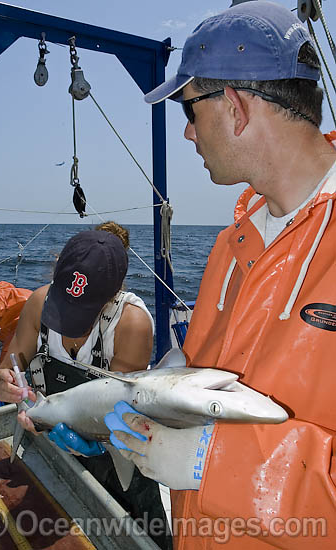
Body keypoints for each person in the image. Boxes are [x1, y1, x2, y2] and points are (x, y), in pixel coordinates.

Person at [103, 2, 336, 548]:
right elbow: (202, 374)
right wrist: (126, 409)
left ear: (234, 106)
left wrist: (220, 463)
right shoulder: (231, 245)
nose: (187, 134)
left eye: (189, 110)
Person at [0, 227, 172, 549]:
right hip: (48, 441)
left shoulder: (132, 323)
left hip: (115, 449)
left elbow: (119, 415)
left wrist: (89, 442)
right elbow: (11, 364)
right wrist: (2, 382)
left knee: (138, 532)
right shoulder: (37, 302)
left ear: (114, 292)